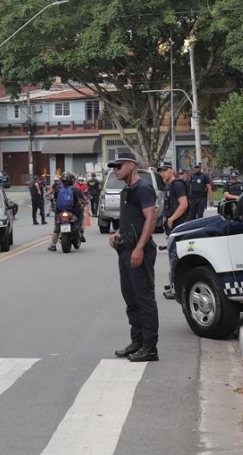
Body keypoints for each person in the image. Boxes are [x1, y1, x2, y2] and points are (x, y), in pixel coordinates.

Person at [107, 152, 159, 363]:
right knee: (131, 299)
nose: (115, 170)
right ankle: (137, 342)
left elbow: (150, 218)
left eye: (118, 166)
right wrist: (118, 233)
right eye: (114, 167)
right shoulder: (126, 190)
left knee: (144, 299)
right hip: (125, 250)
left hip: (139, 251)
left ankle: (150, 347)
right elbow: (131, 218)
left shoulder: (143, 188)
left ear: (131, 165)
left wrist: (139, 248)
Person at [47, 173, 87, 250]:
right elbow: (84, 199)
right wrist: (85, 201)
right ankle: (81, 231)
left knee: (57, 226)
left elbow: (55, 198)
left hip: (60, 212)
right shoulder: (75, 189)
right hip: (72, 211)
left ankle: (53, 245)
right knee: (82, 214)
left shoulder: (58, 188)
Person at [158, 163, 189, 235]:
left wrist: (171, 219)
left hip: (179, 221)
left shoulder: (177, 185)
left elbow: (184, 204)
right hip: (172, 221)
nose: (163, 173)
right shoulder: (167, 186)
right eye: (161, 171)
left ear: (172, 170)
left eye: (165, 170)